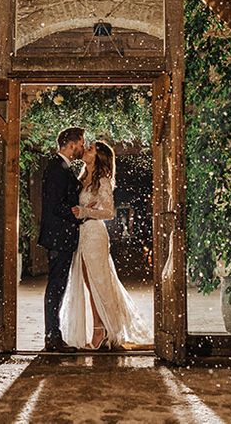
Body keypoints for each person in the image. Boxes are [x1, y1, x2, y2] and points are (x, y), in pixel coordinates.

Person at [60, 140, 153, 350]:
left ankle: (101, 331)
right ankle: (100, 328)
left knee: (99, 283)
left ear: (99, 156)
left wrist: (86, 212)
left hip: (94, 234)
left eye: (90, 148)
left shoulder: (102, 180)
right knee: (88, 283)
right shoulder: (83, 177)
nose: (85, 150)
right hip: (82, 233)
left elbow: (110, 212)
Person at [37, 126, 85, 352]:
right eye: (81, 143)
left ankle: (53, 336)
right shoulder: (57, 168)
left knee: (58, 286)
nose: (82, 147)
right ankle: (52, 338)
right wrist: (76, 213)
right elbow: (56, 205)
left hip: (60, 236)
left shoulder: (62, 167)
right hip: (58, 237)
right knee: (56, 287)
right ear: (71, 143)